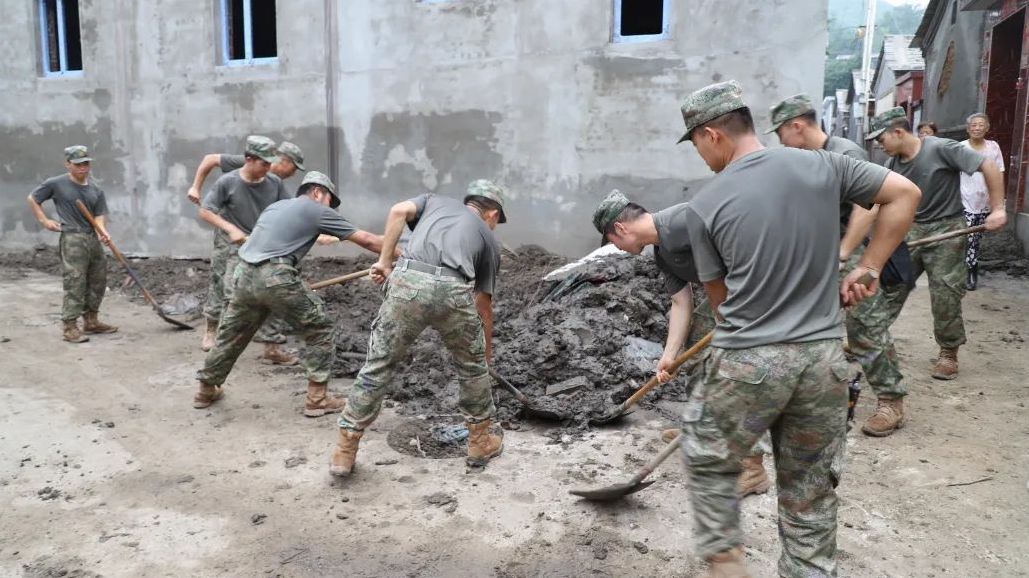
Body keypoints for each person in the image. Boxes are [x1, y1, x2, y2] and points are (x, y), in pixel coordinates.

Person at [676, 81, 920, 577]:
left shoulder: (703, 206)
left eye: (696, 144)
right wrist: (868, 267)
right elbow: (904, 195)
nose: (700, 156)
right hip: (825, 363)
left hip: (748, 362)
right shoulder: (824, 165)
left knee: (708, 458)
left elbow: (721, 306)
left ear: (711, 135)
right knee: (809, 494)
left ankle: (727, 565)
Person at [591, 190, 772, 498]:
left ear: (621, 229)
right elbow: (680, 302)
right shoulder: (663, 252)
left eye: (613, 242)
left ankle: (752, 467)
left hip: (757, 291)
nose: (617, 250)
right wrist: (668, 357)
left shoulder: (684, 221)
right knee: (698, 351)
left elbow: (749, 251)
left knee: (736, 372)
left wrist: (732, 323)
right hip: (726, 301)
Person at [329, 180, 508, 477]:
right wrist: (484, 356)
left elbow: (398, 210)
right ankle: (479, 443)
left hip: (409, 282)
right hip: (454, 290)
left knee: (378, 365)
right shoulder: (489, 243)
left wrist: (385, 263)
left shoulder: (434, 201)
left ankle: (344, 451)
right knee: (471, 369)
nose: (494, 227)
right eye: (496, 222)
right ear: (492, 213)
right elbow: (483, 304)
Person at [768, 94, 910, 437]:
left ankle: (891, 401)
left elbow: (871, 205)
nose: (780, 141)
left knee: (866, 328)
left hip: (847, 256)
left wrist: (844, 254)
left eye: (779, 133)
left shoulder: (845, 153)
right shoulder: (807, 159)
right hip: (815, 254)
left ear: (796, 126)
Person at [193, 171, 385, 416]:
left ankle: (206, 389)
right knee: (320, 329)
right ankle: (317, 399)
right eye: (329, 200)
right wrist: (400, 257)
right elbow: (367, 240)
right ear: (317, 192)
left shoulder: (276, 208)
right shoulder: (317, 209)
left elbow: (275, 243)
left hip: (243, 274)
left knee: (231, 334)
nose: (330, 207)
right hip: (275, 275)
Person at [868, 107, 1006, 379]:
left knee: (945, 293)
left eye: (881, 138)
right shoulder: (892, 165)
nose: (879, 145)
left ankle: (948, 352)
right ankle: (869, 338)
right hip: (909, 231)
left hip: (947, 230)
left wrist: (998, 208)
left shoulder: (941, 148)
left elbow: (987, 165)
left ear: (897, 131)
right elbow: (877, 204)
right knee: (891, 286)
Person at [187, 141, 306, 353]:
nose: (268, 168)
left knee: (274, 285)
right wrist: (230, 228)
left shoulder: (274, 183)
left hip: (260, 242)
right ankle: (213, 330)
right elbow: (205, 211)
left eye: (271, 164)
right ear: (249, 159)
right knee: (224, 285)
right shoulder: (228, 182)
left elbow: (288, 210)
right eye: (264, 164)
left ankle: (270, 344)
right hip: (231, 242)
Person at [27, 146, 119, 343]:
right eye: (78, 164)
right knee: (75, 281)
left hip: (92, 239)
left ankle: (91, 321)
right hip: (72, 239)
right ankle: (69, 326)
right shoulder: (56, 184)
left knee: (97, 279)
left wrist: (102, 230)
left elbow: (99, 214)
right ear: (67, 164)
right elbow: (33, 199)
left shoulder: (95, 189)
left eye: (85, 163)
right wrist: (44, 221)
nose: (83, 168)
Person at [960, 113, 1005, 290]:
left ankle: (970, 267)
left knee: (975, 238)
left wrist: (997, 203)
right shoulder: (961, 147)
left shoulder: (993, 147)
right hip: (964, 198)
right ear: (968, 128)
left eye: (981, 125)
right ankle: (968, 270)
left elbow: (999, 172)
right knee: (967, 237)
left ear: (987, 128)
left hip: (984, 200)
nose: (977, 128)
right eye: (974, 125)